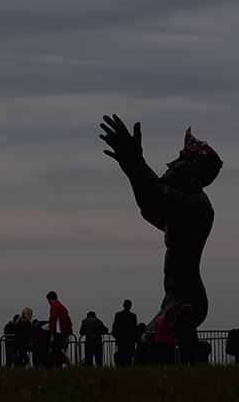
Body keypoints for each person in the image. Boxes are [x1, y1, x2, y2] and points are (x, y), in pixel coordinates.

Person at [100, 117, 222, 331]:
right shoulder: (189, 204)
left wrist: (136, 164)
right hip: (177, 296)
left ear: (192, 171)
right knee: (154, 344)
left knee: (150, 343)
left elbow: (156, 198)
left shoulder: (197, 206)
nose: (171, 164)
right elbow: (152, 209)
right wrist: (133, 167)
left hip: (186, 300)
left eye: (181, 158)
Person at [46, 291, 73, 367]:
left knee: (58, 351)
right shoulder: (62, 307)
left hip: (57, 333)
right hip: (63, 333)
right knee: (58, 351)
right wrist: (67, 334)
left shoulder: (54, 307)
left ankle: (70, 363)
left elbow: (52, 320)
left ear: (50, 299)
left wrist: (51, 335)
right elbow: (68, 321)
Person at [112, 299, 138, 366]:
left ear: (123, 305)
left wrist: (116, 336)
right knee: (128, 356)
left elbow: (115, 326)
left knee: (121, 353)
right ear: (130, 306)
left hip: (120, 339)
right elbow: (134, 328)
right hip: (130, 339)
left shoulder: (118, 315)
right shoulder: (133, 316)